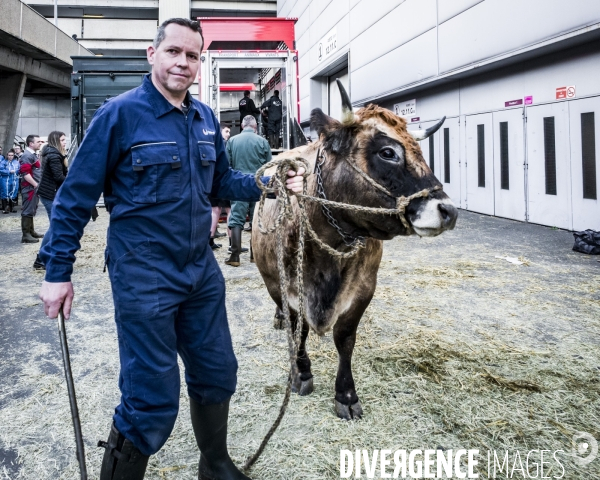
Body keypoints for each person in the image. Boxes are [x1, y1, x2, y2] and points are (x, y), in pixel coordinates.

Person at [38, 18, 305, 480]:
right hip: (143, 276)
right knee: (151, 401)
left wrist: (268, 182)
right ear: (152, 54)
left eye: (193, 55)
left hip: (200, 272)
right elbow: (74, 198)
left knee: (218, 373)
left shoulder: (203, 118)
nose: (183, 63)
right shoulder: (118, 116)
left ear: (200, 63)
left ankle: (215, 465)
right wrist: (57, 272)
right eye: (173, 52)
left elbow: (221, 182)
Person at [225, 115, 272, 267]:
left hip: (238, 184)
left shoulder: (232, 141)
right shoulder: (263, 141)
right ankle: (254, 255)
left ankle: (235, 255)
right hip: (258, 185)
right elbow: (269, 165)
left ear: (241, 125)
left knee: (237, 219)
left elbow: (227, 164)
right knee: (255, 219)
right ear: (255, 126)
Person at [33, 131, 68, 270]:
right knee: (55, 227)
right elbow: (59, 177)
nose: (65, 142)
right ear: (56, 141)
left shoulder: (52, 153)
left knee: (56, 226)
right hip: (50, 194)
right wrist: (74, 180)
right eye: (63, 140)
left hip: (49, 193)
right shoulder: (54, 155)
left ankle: (48, 257)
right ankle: (41, 259)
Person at [208, 125, 232, 250]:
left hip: (213, 181)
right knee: (229, 210)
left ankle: (210, 241)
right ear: (220, 131)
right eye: (226, 131)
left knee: (215, 211)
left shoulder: (212, 143)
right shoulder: (224, 145)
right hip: (223, 180)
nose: (228, 134)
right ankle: (232, 243)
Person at [19, 135, 43, 243]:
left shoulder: (32, 155)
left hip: (32, 187)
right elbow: (25, 173)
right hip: (29, 187)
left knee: (32, 208)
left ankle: (31, 231)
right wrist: (35, 184)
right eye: (38, 141)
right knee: (28, 209)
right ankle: (26, 235)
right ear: (31, 143)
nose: (40, 143)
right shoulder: (26, 156)